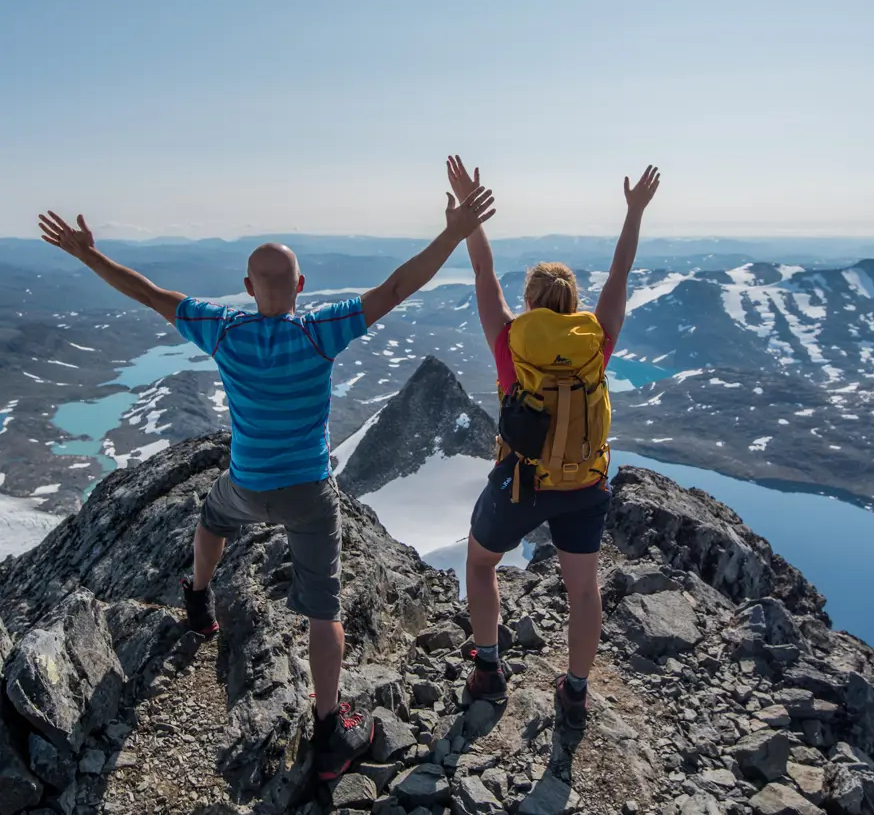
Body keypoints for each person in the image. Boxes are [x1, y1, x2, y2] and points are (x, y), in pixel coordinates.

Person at [36, 182, 496, 779]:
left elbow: (148, 293)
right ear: (301, 287)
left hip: (247, 483)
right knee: (324, 609)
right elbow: (396, 288)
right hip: (308, 493)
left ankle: (198, 600)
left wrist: (88, 255)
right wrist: (454, 233)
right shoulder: (319, 331)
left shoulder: (223, 329)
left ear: (249, 288)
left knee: (212, 517)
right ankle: (329, 731)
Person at [445, 155, 660, 730]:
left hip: (522, 482)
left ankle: (488, 670)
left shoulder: (509, 342)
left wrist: (469, 213)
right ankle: (576, 692)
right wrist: (634, 211)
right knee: (583, 591)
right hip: (585, 484)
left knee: (481, 563)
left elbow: (483, 272)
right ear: (572, 302)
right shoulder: (596, 342)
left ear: (530, 302)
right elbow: (620, 275)